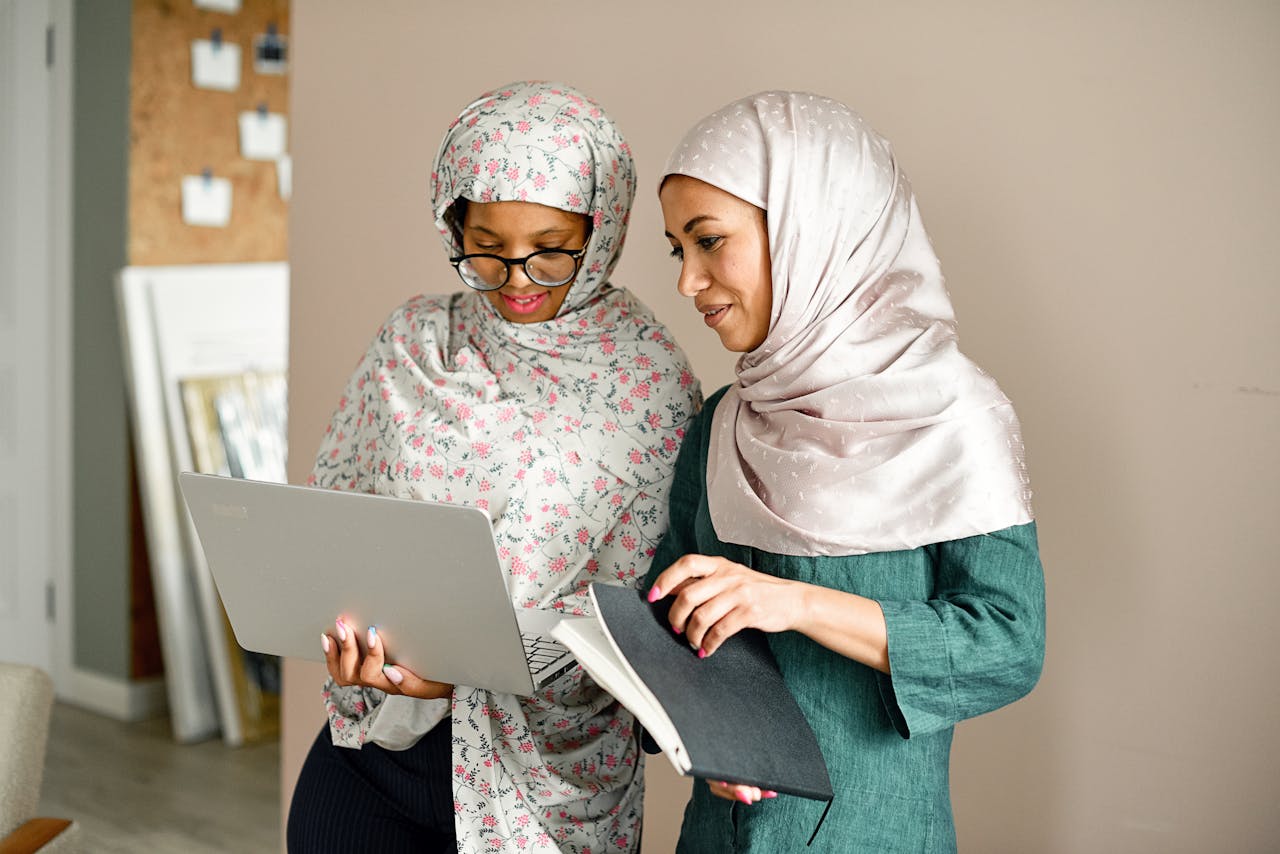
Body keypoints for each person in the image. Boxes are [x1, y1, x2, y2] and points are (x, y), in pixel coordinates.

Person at [286, 81, 701, 853]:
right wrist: (356, 637)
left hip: (547, 787)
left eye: (550, 249)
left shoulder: (652, 385)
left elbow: (642, 617)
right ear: (453, 225)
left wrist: (466, 674)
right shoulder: (415, 341)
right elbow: (336, 515)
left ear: (600, 224)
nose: (516, 280)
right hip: (374, 751)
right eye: (486, 246)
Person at [647, 91, 1046, 852]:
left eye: (708, 241)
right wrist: (704, 731)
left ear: (812, 230)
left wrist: (796, 604)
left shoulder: (955, 419)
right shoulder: (723, 420)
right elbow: (671, 613)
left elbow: (1008, 643)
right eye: (677, 249)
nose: (688, 282)